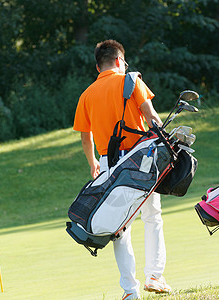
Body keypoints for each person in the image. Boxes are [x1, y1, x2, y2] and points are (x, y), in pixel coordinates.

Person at [73, 39, 171, 299]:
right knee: (152, 217)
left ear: (98, 67)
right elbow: (152, 117)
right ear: (119, 61)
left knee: (119, 228)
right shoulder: (132, 80)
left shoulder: (86, 95)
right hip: (142, 159)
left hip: (108, 163)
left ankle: (130, 291)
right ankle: (154, 275)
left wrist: (92, 162)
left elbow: (86, 137)